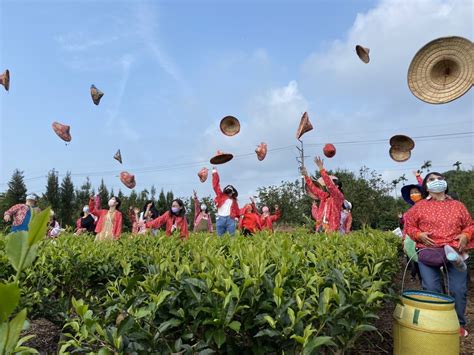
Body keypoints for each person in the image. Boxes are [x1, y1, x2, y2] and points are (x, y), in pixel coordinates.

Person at [405, 172, 473, 337]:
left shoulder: (458, 205)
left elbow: (470, 225)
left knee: (458, 289)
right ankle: (437, 324)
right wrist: (419, 235)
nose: (436, 182)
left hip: (455, 252)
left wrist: (465, 235)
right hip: (429, 253)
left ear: (445, 183)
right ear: (426, 187)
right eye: (431, 179)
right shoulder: (419, 207)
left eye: (440, 179)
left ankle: (457, 324)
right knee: (432, 289)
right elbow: (409, 226)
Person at [300, 156, 345, 233]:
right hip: (320, 228)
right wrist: (306, 176)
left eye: (331, 183)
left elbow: (330, 185)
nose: (327, 185)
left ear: (337, 186)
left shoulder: (339, 197)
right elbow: (313, 188)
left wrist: (321, 168)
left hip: (331, 230)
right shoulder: (324, 196)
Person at [212, 167, 240, 236]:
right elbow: (216, 186)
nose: (229, 192)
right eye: (228, 190)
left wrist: (240, 218)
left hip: (230, 219)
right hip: (220, 218)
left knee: (232, 237)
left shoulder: (234, 201)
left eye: (231, 191)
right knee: (220, 238)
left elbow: (238, 211)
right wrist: (215, 173)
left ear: (233, 192)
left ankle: (232, 247)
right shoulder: (221, 196)